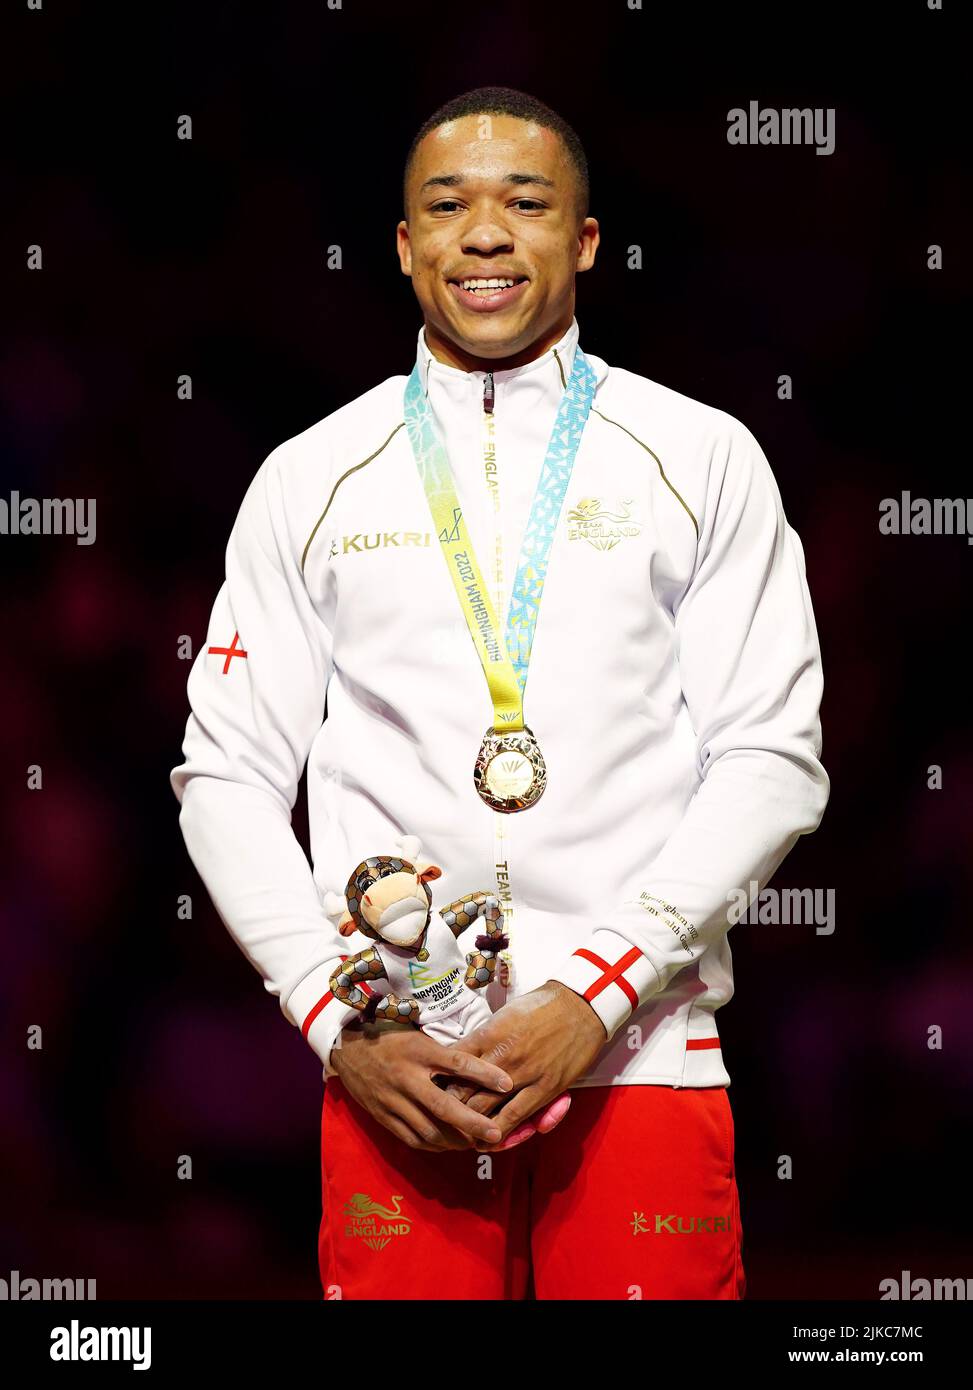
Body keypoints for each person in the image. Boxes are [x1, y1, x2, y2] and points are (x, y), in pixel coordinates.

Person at [170, 85, 829, 1300]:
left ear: (582, 241)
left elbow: (771, 756)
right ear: (405, 244)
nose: (484, 233)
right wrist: (332, 1021)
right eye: (448, 206)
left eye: (523, 203)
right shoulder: (310, 476)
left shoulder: (699, 456)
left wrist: (597, 987)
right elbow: (224, 775)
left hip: (641, 1058)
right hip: (399, 1067)